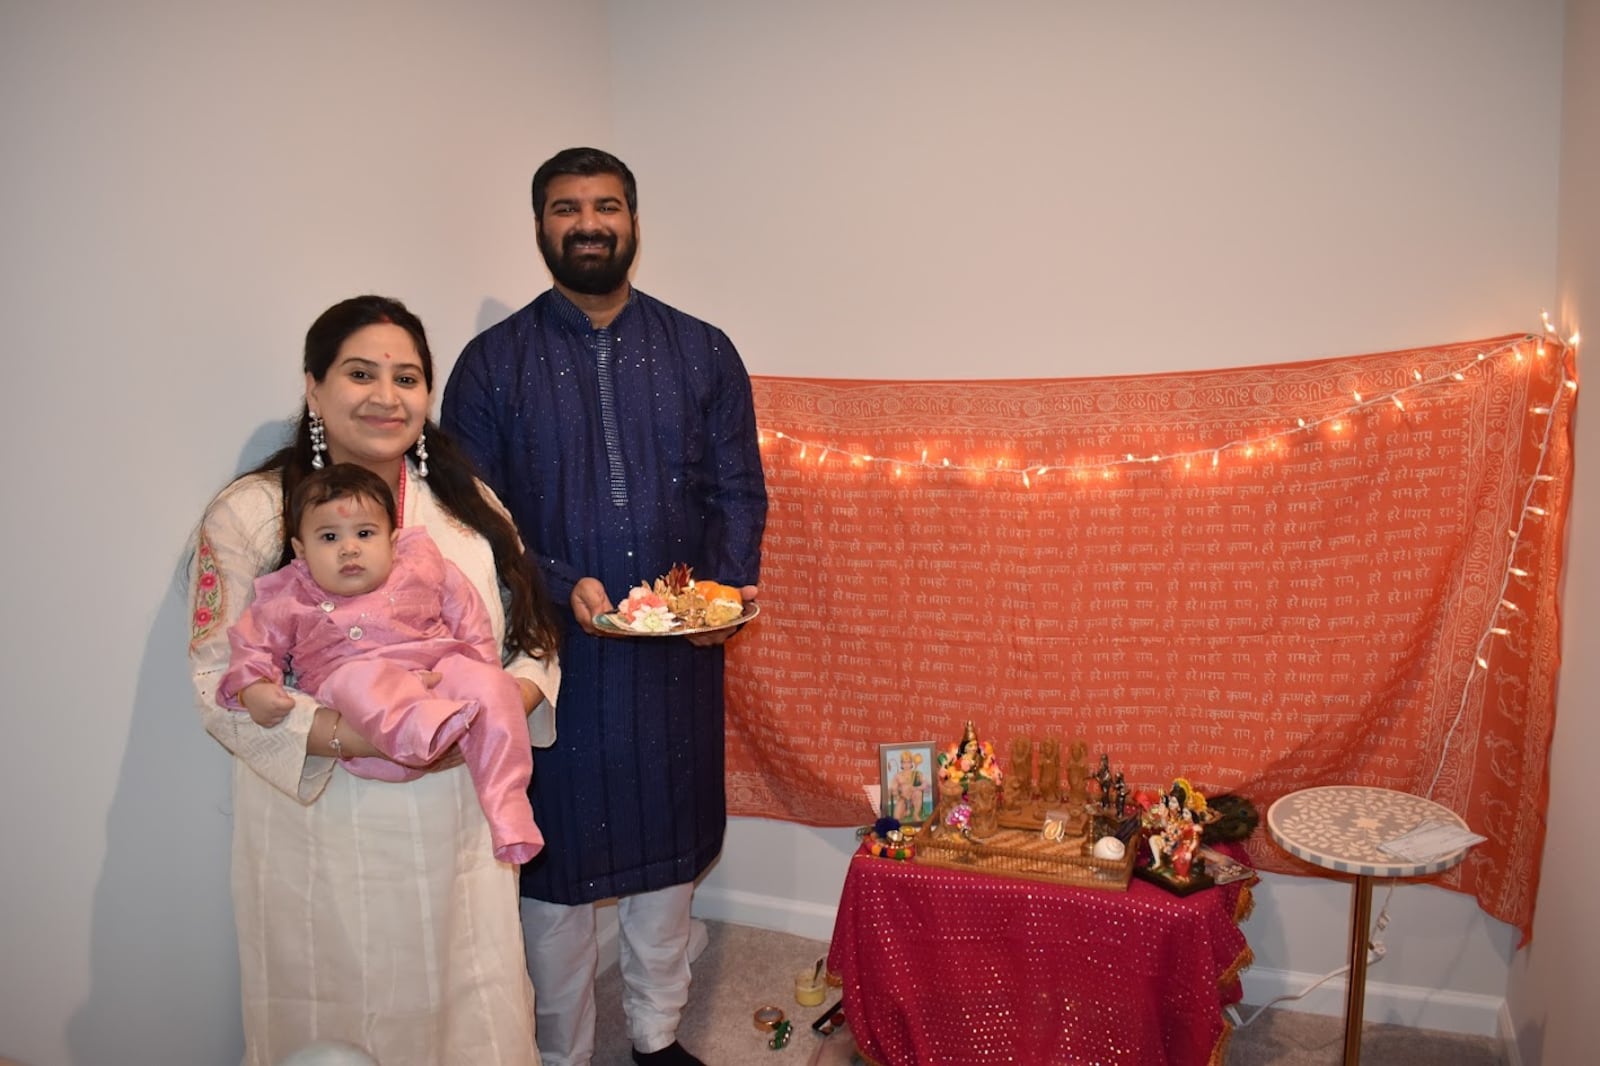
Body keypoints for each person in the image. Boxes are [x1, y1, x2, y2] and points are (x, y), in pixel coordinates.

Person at [442, 146, 767, 1066]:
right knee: (555, 875)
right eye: (565, 208)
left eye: (607, 206)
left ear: (634, 220)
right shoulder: (491, 366)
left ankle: (657, 1037)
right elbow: (470, 521)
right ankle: (563, 1051)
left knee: (667, 861)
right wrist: (552, 578)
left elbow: (738, 491)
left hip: (672, 656)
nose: (589, 222)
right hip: (551, 665)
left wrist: (725, 593)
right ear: (540, 225)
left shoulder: (701, 349)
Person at [188, 295, 562, 1066]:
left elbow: (533, 641)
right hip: (323, 824)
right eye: (361, 373)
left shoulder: (467, 509)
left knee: (471, 1009)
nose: (387, 396)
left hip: (461, 817)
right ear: (313, 388)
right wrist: (369, 738)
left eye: (409, 377)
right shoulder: (253, 515)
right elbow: (217, 678)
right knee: (343, 1017)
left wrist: (480, 720)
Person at [219, 462, 543, 864]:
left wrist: (480, 666)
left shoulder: (420, 564)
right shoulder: (290, 594)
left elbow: (466, 609)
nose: (349, 548)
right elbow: (252, 644)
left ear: (393, 540)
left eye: (365, 534)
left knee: (496, 689)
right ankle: (427, 731)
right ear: (301, 551)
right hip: (357, 685)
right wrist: (254, 689)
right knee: (360, 680)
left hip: (437, 667)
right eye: (329, 537)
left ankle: (508, 806)